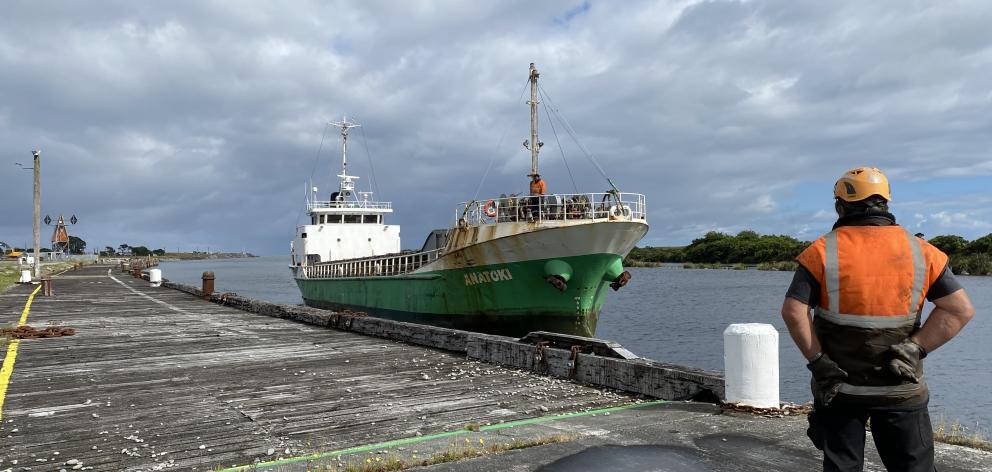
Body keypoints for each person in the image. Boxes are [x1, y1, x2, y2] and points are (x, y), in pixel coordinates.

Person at [781, 167, 975, 472]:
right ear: (885, 203)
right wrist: (915, 348)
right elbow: (960, 309)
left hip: (840, 389)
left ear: (840, 206)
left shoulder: (822, 250)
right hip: (900, 389)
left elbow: (793, 311)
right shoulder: (922, 252)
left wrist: (818, 362)